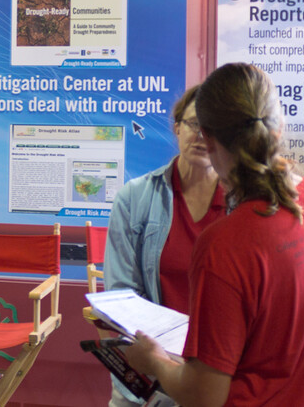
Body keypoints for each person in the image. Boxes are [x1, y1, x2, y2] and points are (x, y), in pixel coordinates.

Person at [125, 63, 304, 406]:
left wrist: (154, 360)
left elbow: (203, 395)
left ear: (207, 138)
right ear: (279, 128)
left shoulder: (225, 244)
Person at [104, 85, 225, 406]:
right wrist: (161, 364)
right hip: (151, 372)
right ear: (176, 127)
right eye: (193, 124)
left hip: (218, 373)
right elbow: (121, 298)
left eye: (212, 127)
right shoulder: (135, 197)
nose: (201, 135)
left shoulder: (243, 204)